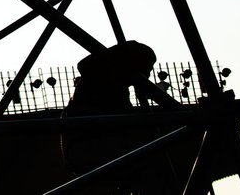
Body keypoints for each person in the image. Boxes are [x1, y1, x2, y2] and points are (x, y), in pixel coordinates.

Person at [60, 40, 177, 194]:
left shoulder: (111, 83)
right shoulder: (103, 81)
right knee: (152, 160)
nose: (148, 75)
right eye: (146, 69)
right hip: (89, 146)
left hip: (88, 147)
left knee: (148, 160)